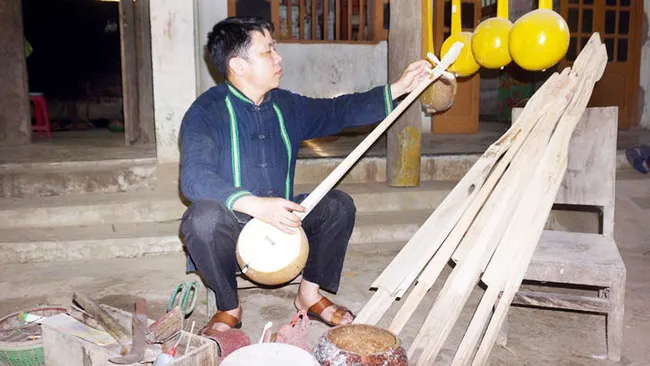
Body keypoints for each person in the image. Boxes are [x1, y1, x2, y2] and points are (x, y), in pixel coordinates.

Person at [179, 16, 430, 337]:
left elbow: (338, 110)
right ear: (239, 65)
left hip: (284, 222)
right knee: (201, 219)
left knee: (337, 204)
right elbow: (194, 177)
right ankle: (229, 307)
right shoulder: (206, 112)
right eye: (268, 51)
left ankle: (308, 294)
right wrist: (255, 205)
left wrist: (400, 88)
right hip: (233, 224)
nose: (278, 57)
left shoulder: (286, 105)